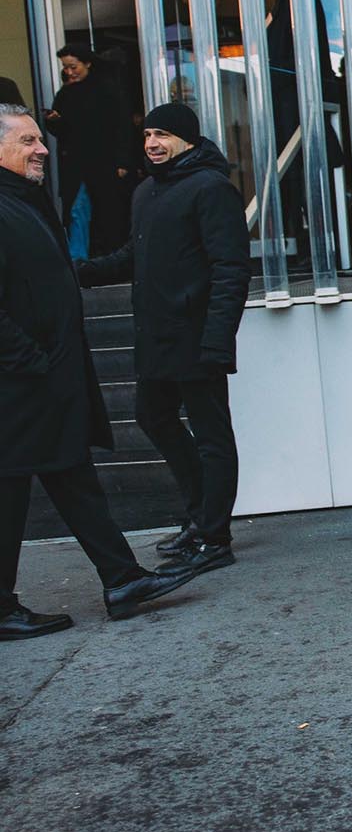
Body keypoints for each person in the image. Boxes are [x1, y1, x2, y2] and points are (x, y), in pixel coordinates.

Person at [0, 105, 207, 640]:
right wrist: (30, 361)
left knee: (70, 476)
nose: (42, 149)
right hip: (20, 380)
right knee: (11, 490)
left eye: (39, 139)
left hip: (44, 377)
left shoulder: (22, 200)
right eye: (27, 141)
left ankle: (122, 579)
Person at [76, 102, 249, 577]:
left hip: (196, 336)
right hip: (156, 335)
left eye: (163, 135)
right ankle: (200, 517)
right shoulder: (148, 191)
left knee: (212, 436)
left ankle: (215, 537)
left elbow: (231, 269)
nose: (151, 143)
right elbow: (135, 254)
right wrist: (79, 271)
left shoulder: (211, 188)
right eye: (148, 134)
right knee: (152, 416)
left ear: (187, 139)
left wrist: (218, 340)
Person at [263, 0, 346, 272]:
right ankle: (314, 248)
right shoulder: (294, 1)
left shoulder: (294, 2)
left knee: (304, 175)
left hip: (296, 102)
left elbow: (285, 54)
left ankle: (317, 250)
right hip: (297, 99)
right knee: (303, 175)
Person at [44, 43, 137, 259]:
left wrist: (123, 161)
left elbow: (122, 127)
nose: (69, 72)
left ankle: (113, 259)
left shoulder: (107, 89)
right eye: (65, 67)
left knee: (109, 214)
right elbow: (64, 131)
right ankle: (80, 260)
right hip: (77, 167)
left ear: (87, 63)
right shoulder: (65, 93)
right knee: (77, 212)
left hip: (105, 164)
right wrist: (54, 121)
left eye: (73, 66)